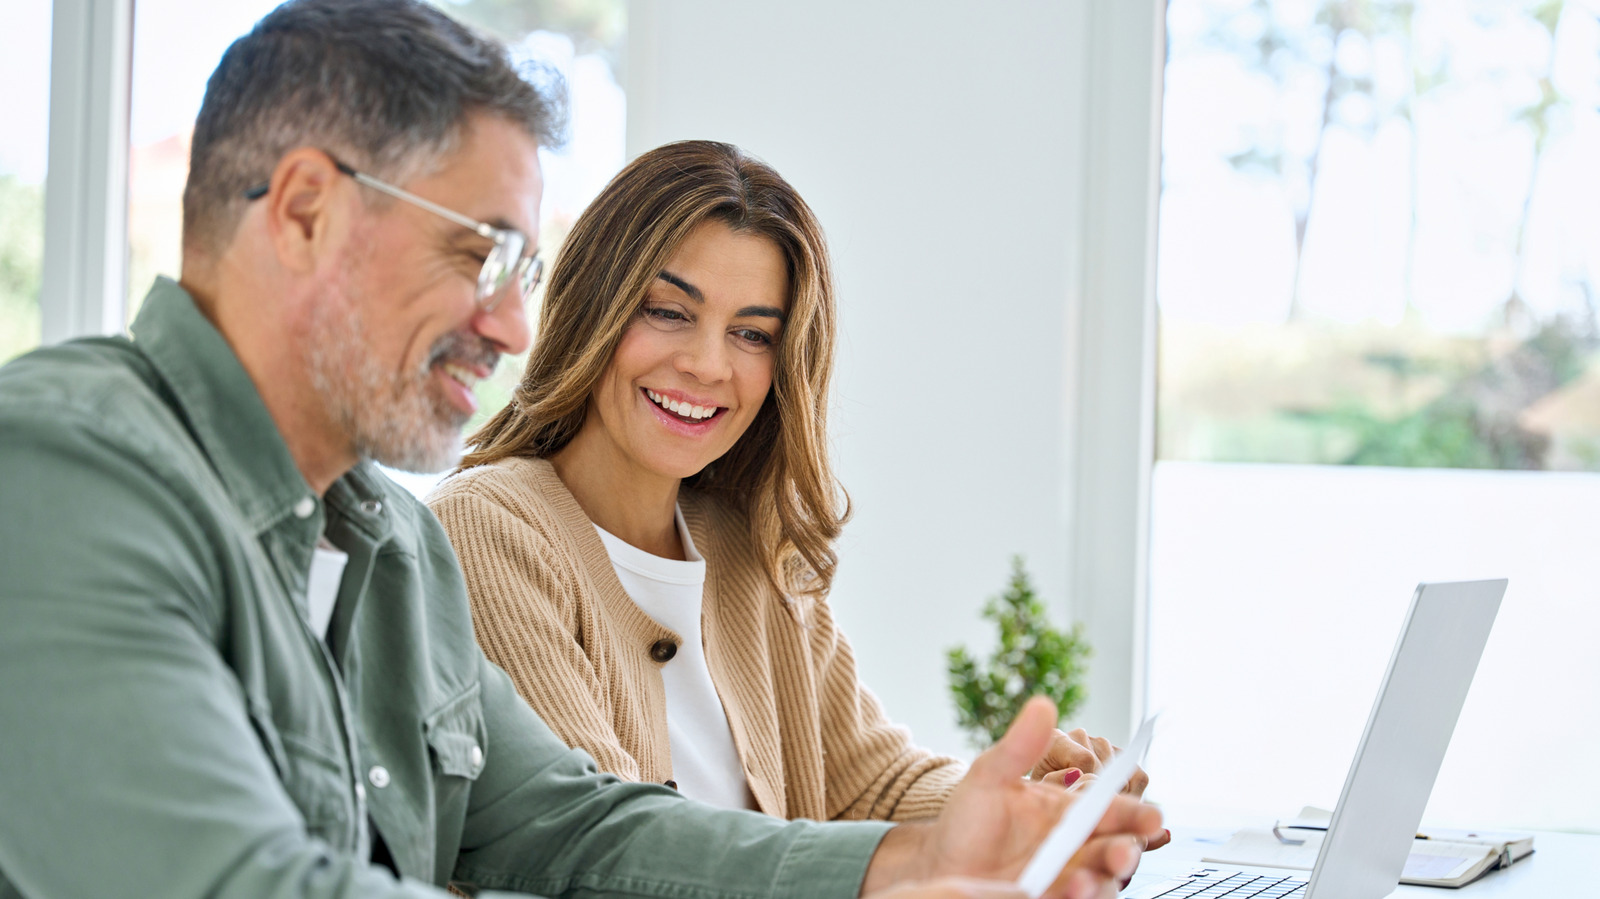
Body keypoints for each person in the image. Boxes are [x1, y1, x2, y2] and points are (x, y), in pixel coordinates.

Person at [0, 1, 1163, 897]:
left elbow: (577, 821)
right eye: (480, 255)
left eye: (522, 273)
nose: (512, 325)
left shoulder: (387, 542)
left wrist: (910, 860)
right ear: (304, 211)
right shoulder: (61, 473)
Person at [426, 140, 1166, 837]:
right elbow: (611, 844)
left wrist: (1022, 806)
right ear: (592, 306)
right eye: (669, 311)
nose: (708, 364)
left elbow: (871, 787)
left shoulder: (746, 546)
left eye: (753, 334)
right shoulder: (488, 530)